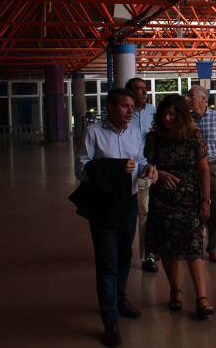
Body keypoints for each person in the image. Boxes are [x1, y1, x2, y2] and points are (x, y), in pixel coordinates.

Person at [75, 88, 156, 347]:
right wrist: (114, 167)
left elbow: (140, 159)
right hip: (103, 205)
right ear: (109, 107)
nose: (130, 110)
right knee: (107, 262)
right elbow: (81, 170)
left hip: (128, 202)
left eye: (132, 106)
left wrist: (147, 168)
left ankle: (119, 300)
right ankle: (110, 321)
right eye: (124, 106)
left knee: (124, 256)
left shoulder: (134, 132)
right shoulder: (93, 133)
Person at [144, 94, 215, 318]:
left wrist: (206, 200)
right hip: (162, 199)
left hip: (189, 198)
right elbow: (146, 165)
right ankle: (175, 290)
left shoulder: (194, 136)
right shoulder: (154, 138)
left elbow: (203, 169)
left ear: (182, 115)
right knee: (168, 247)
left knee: (194, 246)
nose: (167, 118)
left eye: (173, 114)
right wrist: (161, 173)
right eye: (164, 114)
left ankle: (201, 297)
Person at [186, 85, 216, 263]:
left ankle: (214, 248)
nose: (188, 99)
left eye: (191, 96)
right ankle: (195, 245)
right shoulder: (186, 120)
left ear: (203, 100)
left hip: (215, 167)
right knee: (194, 207)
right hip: (194, 169)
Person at [125, 78, 158, 273]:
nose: (144, 92)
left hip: (148, 171)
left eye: (145, 89)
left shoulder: (153, 112)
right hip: (127, 173)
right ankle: (124, 251)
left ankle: (148, 257)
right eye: (138, 89)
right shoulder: (125, 114)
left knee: (146, 214)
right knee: (128, 216)